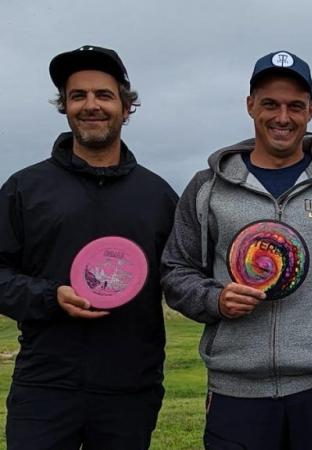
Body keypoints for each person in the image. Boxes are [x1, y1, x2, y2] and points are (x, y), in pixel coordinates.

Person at [161, 50, 312, 450]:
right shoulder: (208, 188)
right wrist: (216, 298)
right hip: (235, 390)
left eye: (295, 106)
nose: (282, 117)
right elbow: (176, 272)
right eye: (270, 104)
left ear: (310, 110)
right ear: (250, 105)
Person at [0, 45, 178, 449]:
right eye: (78, 96)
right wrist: (50, 295)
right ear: (64, 106)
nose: (91, 105)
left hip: (130, 389)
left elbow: (183, 278)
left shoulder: (159, 196)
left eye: (104, 95)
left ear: (126, 107)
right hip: (45, 387)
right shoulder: (25, 189)